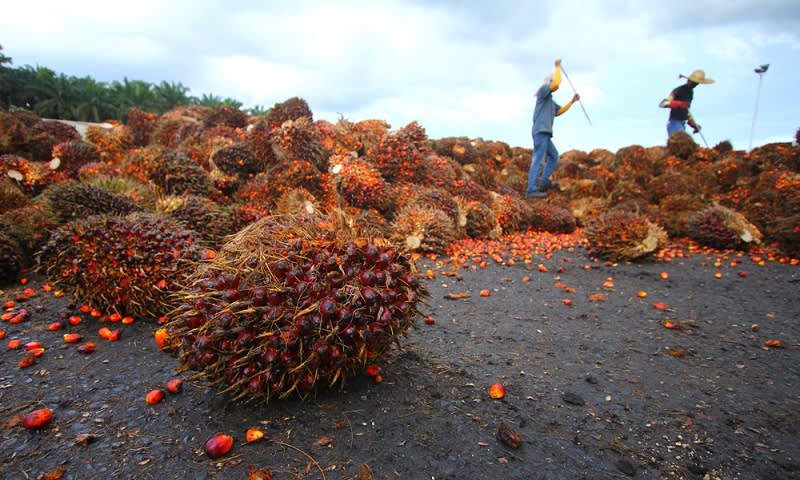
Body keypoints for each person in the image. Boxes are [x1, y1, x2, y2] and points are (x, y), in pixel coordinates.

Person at [526, 59, 580, 198]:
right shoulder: (543, 91)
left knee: (554, 156)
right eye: (551, 82)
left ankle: (543, 182)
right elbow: (556, 84)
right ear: (548, 82)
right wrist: (557, 68)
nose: (553, 85)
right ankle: (531, 190)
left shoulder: (549, 100)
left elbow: (559, 111)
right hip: (540, 132)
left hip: (545, 133)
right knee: (538, 159)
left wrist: (572, 102)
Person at [659, 69, 714, 137]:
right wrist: (680, 104)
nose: (694, 84)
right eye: (693, 82)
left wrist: (693, 124)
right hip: (674, 123)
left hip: (682, 123)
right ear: (688, 80)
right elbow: (663, 103)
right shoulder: (678, 90)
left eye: (696, 83)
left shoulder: (690, 93)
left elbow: (686, 110)